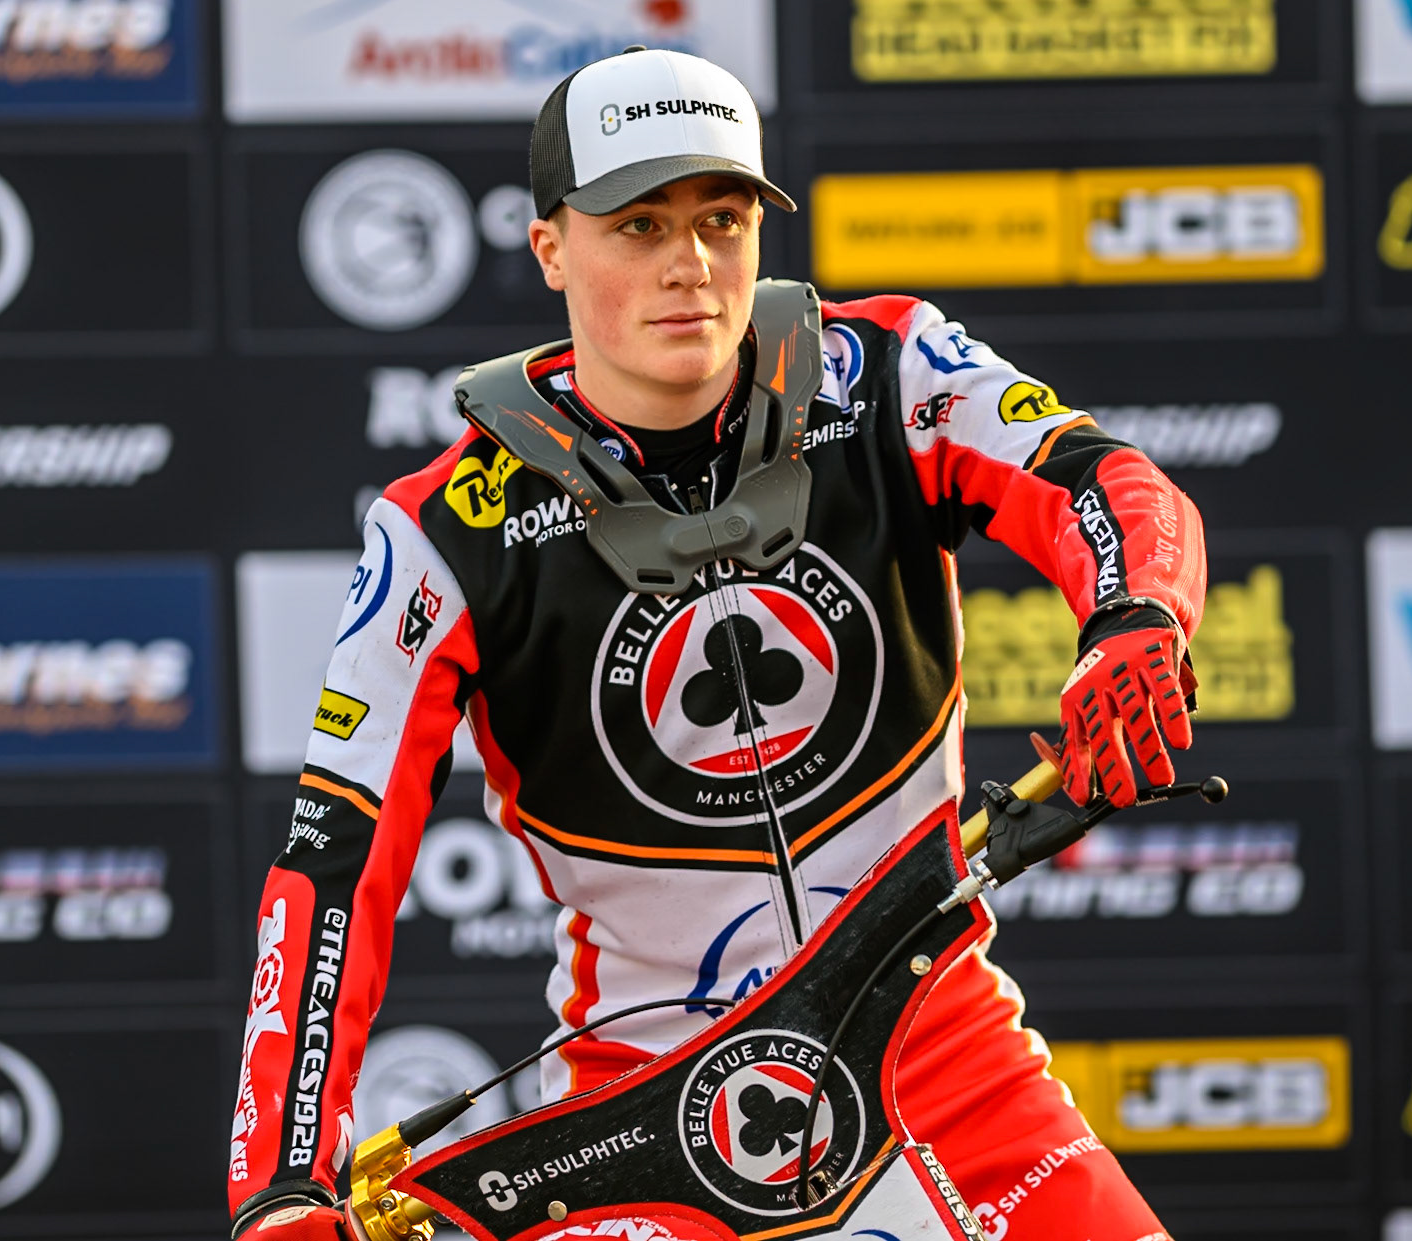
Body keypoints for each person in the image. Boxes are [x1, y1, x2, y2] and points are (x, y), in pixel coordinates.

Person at [228, 46, 1204, 1241]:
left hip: (941, 1059)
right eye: (637, 224)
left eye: (721, 219)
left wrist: (1135, 620)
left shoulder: (885, 372)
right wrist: (280, 1184)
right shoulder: (444, 530)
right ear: (549, 247)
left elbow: (1101, 480)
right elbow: (335, 860)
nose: (687, 265)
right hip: (643, 1126)